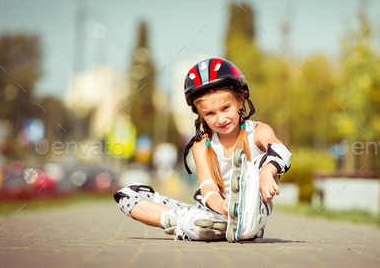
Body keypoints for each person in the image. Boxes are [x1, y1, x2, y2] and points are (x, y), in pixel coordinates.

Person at [113, 58, 292, 241]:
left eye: (225, 108)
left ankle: (220, 223)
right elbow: (208, 188)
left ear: (240, 100)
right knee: (128, 195)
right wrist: (222, 206)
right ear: (200, 116)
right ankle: (193, 223)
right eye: (210, 114)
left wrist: (267, 173)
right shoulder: (201, 146)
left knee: (265, 158)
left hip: (253, 210)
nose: (220, 119)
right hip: (214, 211)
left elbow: (282, 151)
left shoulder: (258, 132)